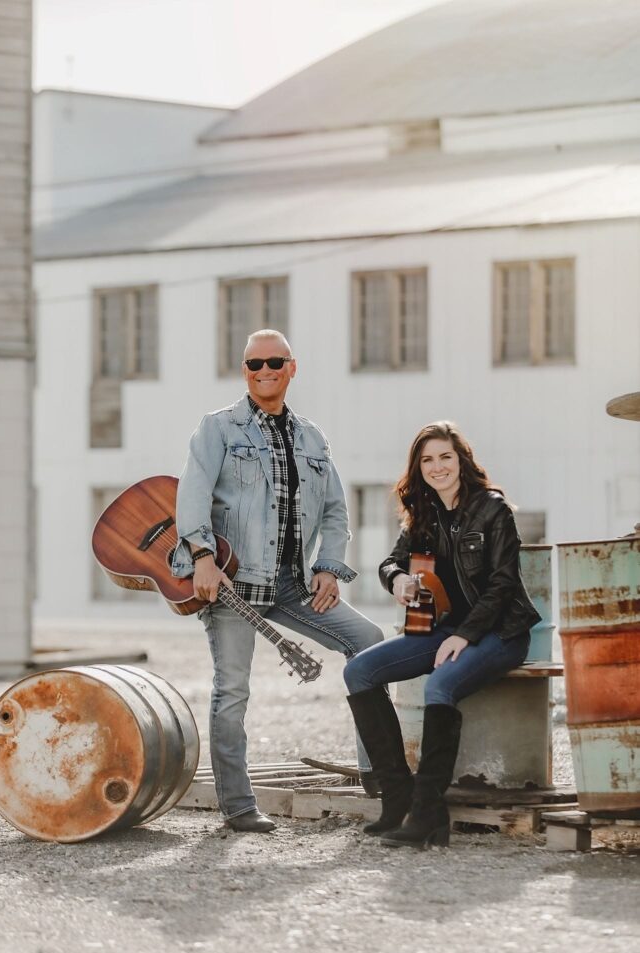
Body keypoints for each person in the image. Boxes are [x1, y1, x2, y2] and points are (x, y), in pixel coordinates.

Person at [172, 329, 384, 832]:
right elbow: (192, 495)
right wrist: (201, 556)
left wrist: (329, 566)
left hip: (292, 585)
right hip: (234, 584)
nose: (264, 371)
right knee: (232, 692)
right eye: (254, 364)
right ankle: (238, 806)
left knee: (370, 642)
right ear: (244, 371)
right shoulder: (218, 429)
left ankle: (379, 774)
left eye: (274, 362)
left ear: (292, 368)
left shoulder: (312, 438)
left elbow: (335, 511)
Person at [343, 421, 540, 848]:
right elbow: (390, 563)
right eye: (428, 460)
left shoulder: (492, 509)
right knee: (358, 672)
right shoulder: (424, 512)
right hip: (443, 629)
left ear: (461, 460)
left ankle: (429, 813)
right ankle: (397, 797)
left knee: (440, 685)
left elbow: (503, 584)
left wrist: (465, 635)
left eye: (445, 457)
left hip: (501, 632)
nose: (438, 467)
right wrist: (396, 579)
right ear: (419, 468)